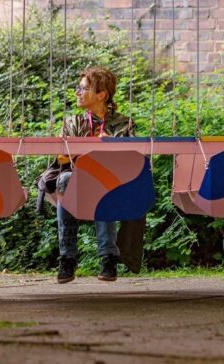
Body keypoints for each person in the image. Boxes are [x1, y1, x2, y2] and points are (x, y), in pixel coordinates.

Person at [36, 67, 136, 284]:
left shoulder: (123, 123)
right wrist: (99, 152)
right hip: (75, 181)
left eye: (83, 88)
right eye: (78, 88)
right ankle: (67, 257)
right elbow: (63, 158)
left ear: (102, 95)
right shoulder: (72, 123)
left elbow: (129, 160)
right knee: (65, 179)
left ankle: (108, 257)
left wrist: (92, 154)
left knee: (104, 182)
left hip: (112, 182)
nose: (77, 93)